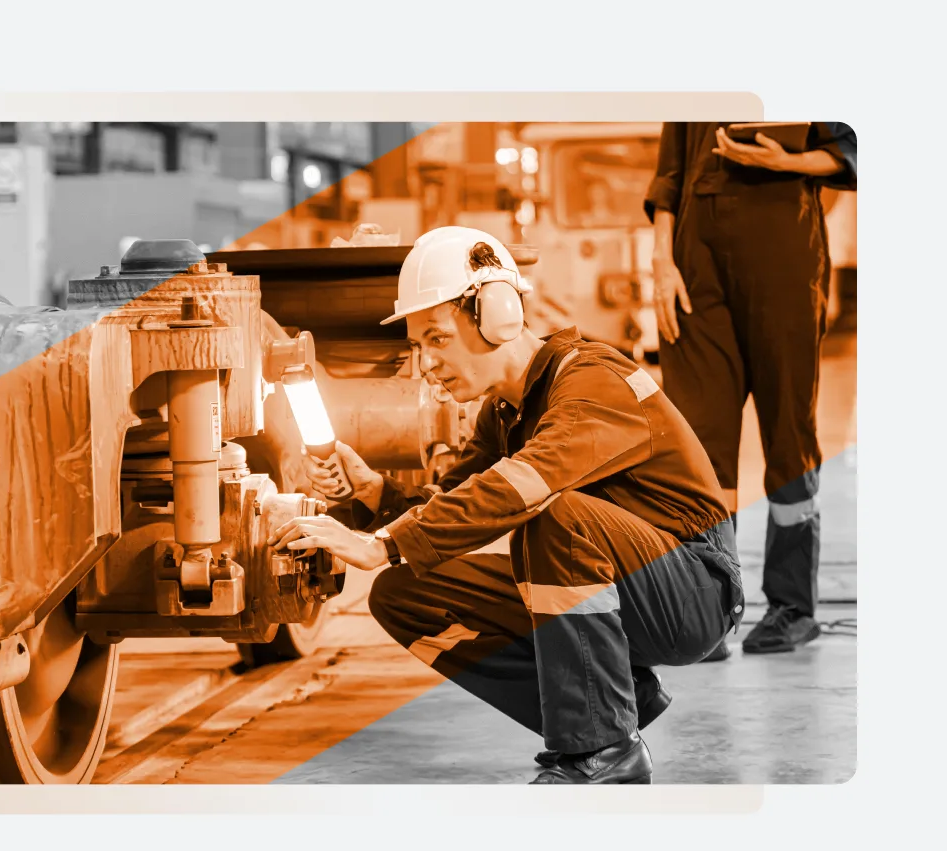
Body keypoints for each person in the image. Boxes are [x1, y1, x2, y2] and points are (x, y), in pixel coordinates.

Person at [269, 226, 745, 784]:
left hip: (695, 589)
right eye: (419, 345)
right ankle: (611, 709)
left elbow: (524, 484)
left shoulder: (593, 381)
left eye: (437, 339)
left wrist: (383, 544)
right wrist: (372, 492)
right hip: (631, 584)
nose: (426, 364)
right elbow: (450, 500)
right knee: (404, 594)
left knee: (556, 520)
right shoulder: (506, 413)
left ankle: (603, 751)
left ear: (498, 315)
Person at [644, 123, 857, 658]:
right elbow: (669, 173)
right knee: (698, 439)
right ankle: (708, 609)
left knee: (788, 429)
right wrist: (661, 261)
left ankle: (792, 606)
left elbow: (856, 144)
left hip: (784, 242)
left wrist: (790, 163)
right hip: (695, 259)